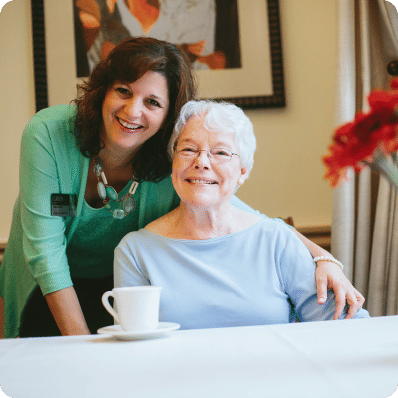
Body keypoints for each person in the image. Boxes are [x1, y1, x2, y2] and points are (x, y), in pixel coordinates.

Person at [0, 37, 363, 339]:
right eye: (123, 91)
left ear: (168, 114)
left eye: (152, 102)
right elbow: (46, 251)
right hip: (50, 280)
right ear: (102, 91)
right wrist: (81, 347)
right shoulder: (48, 133)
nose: (133, 110)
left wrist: (322, 255)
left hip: (118, 283)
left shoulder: (173, 159)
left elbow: (239, 210)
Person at [114, 100, 369, 328]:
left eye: (221, 153)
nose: (201, 162)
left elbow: (346, 325)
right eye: (189, 149)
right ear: (173, 165)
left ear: (243, 172)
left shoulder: (275, 240)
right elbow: (135, 347)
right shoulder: (136, 252)